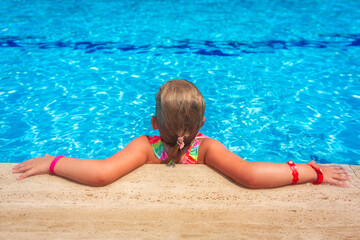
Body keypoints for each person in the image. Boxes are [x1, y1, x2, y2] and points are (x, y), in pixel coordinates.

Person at [13, 79, 350, 188]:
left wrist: (51, 161)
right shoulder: (205, 148)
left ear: (154, 123)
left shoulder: (147, 147)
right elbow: (249, 174)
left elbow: (101, 173)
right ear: (201, 124)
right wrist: (310, 171)